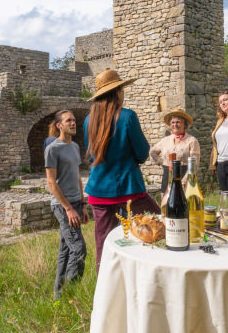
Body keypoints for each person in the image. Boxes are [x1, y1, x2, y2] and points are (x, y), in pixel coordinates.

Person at [84, 69, 161, 272]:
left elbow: (91, 156)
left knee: (104, 242)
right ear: (117, 91)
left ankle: (105, 287)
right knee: (159, 225)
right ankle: (155, 272)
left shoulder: (88, 120)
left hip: (99, 190)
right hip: (128, 188)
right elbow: (143, 153)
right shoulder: (127, 117)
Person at [45, 110, 89, 299]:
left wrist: (83, 204)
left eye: (73, 120)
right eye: (68, 120)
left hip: (76, 203)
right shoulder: (53, 149)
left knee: (65, 250)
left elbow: (77, 176)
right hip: (63, 206)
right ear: (59, 125)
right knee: (79, 249)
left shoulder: (75, 147)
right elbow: (51, 182)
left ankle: (58, 296)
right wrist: (69, 209)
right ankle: (72, 295)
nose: (73, 123)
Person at [149, 108, 201, 206]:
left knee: (183, 206)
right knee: (166, 204)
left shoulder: (192, 141)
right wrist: (162, 162)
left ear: (184, 124)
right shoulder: (165, 140)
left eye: (178, 122)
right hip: (167, 176)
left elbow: (195, 164)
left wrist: (185, 181)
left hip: (184, 175)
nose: (175, 125)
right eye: (172, 122)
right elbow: (152, 152)